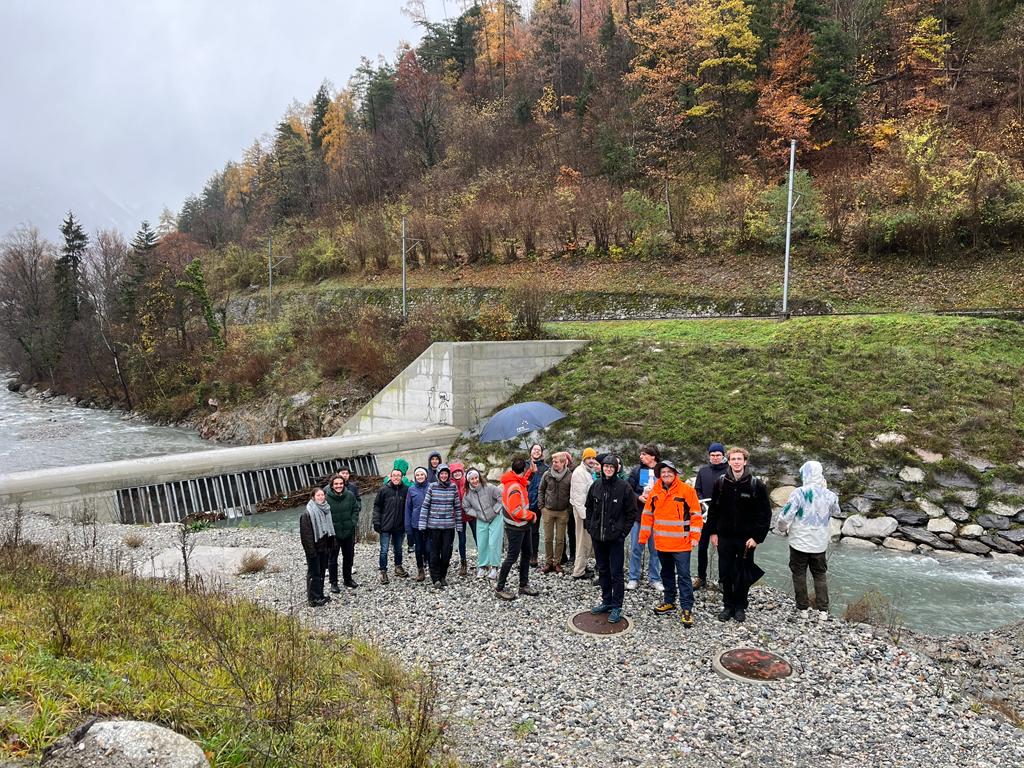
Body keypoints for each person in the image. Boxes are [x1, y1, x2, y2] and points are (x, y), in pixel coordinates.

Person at [705, 447, 772, 623]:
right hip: (725, 536)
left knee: (742, 573)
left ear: (745, 461)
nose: (736, 462)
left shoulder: (756, 484)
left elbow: (765, 514)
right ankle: (728, 605)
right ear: (728, 461)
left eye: (739, 459)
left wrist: (757, 537)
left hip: (746, 539)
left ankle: (740, 606)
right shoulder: (720, 482)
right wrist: (713, 532)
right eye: (733, 459)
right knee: (725, 572)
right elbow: (713, 510)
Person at [639, 460, 702, 628]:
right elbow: (647, 515)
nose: (666, 474)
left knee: (684, 576)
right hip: (662, 543)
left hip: (682, 543)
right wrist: (643, 537)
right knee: (666, 573)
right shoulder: (655, 491)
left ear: (675, 474)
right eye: (663, 472)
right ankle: (669, 601)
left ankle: (687, 608)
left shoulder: (687, 490)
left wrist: (695, 536)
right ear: (659, 475)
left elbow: (696, 514)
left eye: (669, 472)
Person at [777, 460, 839, 621]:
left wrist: (782, 528)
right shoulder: (830, 495)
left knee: (799, 573)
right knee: (820, 575)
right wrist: (825, 490)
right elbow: (836, 511)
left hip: (799, 542)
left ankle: (803, 608)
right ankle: (823, 610)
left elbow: (786, 515)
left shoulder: (799, 493)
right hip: (820, 543)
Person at [585, 455, 636, 624]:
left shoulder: (624, 487)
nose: (608, 469)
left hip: (615, 538)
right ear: (602, 468)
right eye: (606, 466)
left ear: (616, 469)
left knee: (616, 572)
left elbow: (631, 513)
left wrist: (623, 533)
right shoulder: (596, 485)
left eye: (611, 467)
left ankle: (617, 606)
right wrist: (590, 527)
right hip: (598, 536)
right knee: (603, 570)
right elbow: (589, 507)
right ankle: (606, 601)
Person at [496, 458, 541, 600]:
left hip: (522, 525)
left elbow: (523, 481)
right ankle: (499, 588)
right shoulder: (515, 488)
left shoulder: (513, 480)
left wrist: (531, 473)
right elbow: (516, 511)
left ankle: (523, 585)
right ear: (523, 469)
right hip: (516, 526)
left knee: (527, 553)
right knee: (512, 557)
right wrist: (532, 515)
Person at [418, 464, 464, 588]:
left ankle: (443, 575)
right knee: (433, 553)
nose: (444, 476)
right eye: (441, 473)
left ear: (448, 475)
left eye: (446, 474)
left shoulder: (453, 487)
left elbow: (457, 508)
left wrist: (459, 526)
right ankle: (435, 578)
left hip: (448, 527)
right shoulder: (432, 487)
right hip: (433, 527)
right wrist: (422, 524)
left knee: (446, 553)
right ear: (438, 475)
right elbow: (425, 506)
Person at [627, 445, 664, 592]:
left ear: (653, 456)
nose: (641, 457)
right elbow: (628, 490)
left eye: (644, 454)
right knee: (636, 548)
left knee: (656, 550)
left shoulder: (662, 471)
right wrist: (638, 497)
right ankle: (633, 578)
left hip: (658, 517)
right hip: (639, 516)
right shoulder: (636, 471)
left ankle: (655, 579)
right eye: (641, 454)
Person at [693, 442, 728, 590]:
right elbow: (697, 490)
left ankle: (723, 581)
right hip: (705, 516)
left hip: (722, 517)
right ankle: (701, 578)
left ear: (723, 456)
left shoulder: (729, 471)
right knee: (702, 548)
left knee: (722, 549)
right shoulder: (703, 471)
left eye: (718, 455)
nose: (715, 457)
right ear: (709, 456)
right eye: (712, 455)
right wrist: (703, 503)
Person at [463, 468, 504, 579]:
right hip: (481, 519)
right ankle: (482, 566)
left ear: (479, 477)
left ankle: (494, 567)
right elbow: (466, 507)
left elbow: (501, 497)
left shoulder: (489, 487)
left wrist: (495, 510)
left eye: (476, 478)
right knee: (482, 544)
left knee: (493, 543)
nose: (475, 480)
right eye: (472, 479)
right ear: (468, 480)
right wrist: (477, 514)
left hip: (496, 517)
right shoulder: (467, 494)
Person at [300, 488, 335, 606]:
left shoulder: (326, 509)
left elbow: (328, 530)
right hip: (314, 548)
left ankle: (320, 595)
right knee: (314, 573)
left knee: (321, 573)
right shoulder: (307, 513)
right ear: (313, 497)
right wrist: (311, 552)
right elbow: (306, 535)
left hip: (324, 547)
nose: (321, 497)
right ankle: (313, 599)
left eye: (322, 495)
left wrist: (330, 545)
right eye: (318, 495)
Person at [539, 451, 573, 574]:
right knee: (548, 538)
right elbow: (541, 490)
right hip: (548, 511)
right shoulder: (547, 474)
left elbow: (572, 493)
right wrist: (542, 507)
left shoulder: (570, 476)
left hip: (563, 512)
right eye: (553, 461)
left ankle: (557, 563)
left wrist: (569, 510)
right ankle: (548, 562)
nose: (553, 463)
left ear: (563, 463)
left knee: (560, 540)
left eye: (556, 462)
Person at [374, 468, 409, 584]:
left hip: (399, 526)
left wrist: (407, 524)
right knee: (384, 550)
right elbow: (377, 507)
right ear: (390, 477)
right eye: (394, 475)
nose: (396, 478)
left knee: (398, 548)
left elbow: (408, 508)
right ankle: (383, 571)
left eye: (398, 475)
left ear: (401, 477)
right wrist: (376, 522)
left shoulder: (406, 490)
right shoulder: (384, 490)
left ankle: (398, 566)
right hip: (385, 525)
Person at [325, 472, 360, 591]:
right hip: (332, 534)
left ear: (344, 484)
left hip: (348, 532)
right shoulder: (326, 497)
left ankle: (348, 579)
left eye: (341, 483)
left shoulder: (350, 495)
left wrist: (352, 522)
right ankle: (333, 583)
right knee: (332, 559)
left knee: (348, 557)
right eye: (336, 484)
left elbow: (355, 509)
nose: (339, 486)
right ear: (332, 485)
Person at [570, 448, 599, 580]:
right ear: (584, 459)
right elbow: (579, 498)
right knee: (583, 542)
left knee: (585, 542)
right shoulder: (579, 473)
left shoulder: (587, 472)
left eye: (593, 458)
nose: (591, 460)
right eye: (589, 458)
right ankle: (579, 572)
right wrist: (586, 517)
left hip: (586, 512)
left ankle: (581, 566)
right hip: (583, 513)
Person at [404, 467, 430, 582]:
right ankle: (420, 570)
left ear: (425, 476)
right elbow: (408, 508)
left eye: (422, 474)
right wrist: (408, 527)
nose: (420, 477)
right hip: (416, 523)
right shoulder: (411, 489)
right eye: (417, 475)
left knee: (429, 547)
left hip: (430, 523)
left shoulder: (431, 487)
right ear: (415, 477)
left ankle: (431, 566)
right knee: (418, 548)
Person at [526, 444, 548, 567]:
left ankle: (534, 555)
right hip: (524, 502)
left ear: (541, 453)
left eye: (539, 450)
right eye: (534, 449)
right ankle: (525, 555)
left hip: (537, 502)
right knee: (523, 530)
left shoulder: (545, 468)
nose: (536, 451)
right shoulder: (524, 465)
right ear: (530, 451)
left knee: (534, 530)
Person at [450, 461, 473, 577]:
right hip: (458, 516)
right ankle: (463, 562)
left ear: (462, 472)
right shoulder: (450, 485)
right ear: (452, 474)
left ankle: (483, 561)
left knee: (478, 537)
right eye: (455, 472)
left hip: (472, 514)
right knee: (462, 540)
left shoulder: (468, 482)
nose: (457, 473)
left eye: (459, 471)